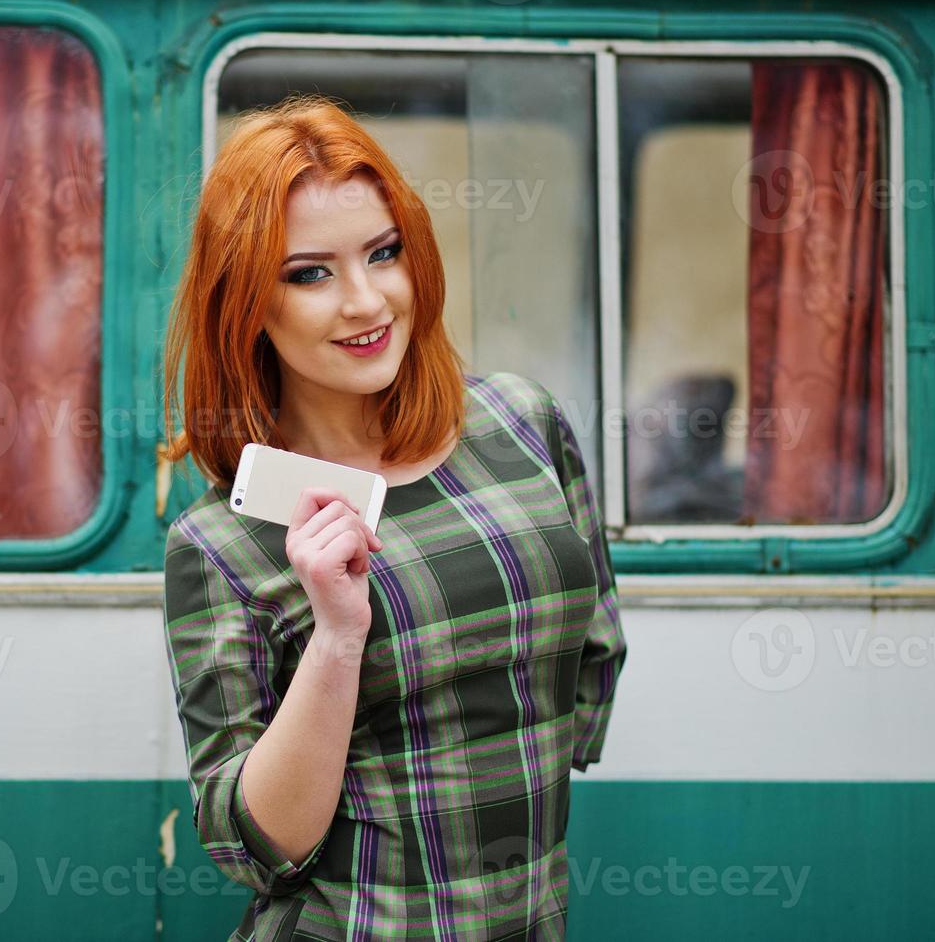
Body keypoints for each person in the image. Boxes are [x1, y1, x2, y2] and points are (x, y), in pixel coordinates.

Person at [160, 94, 626, 941]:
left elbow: (594, 651)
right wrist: (339, 640)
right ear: (245, 306)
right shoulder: (222, 543)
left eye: (384, 253)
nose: (367, 301)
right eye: (310, 273)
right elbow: (253, 845)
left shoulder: (523, 424)